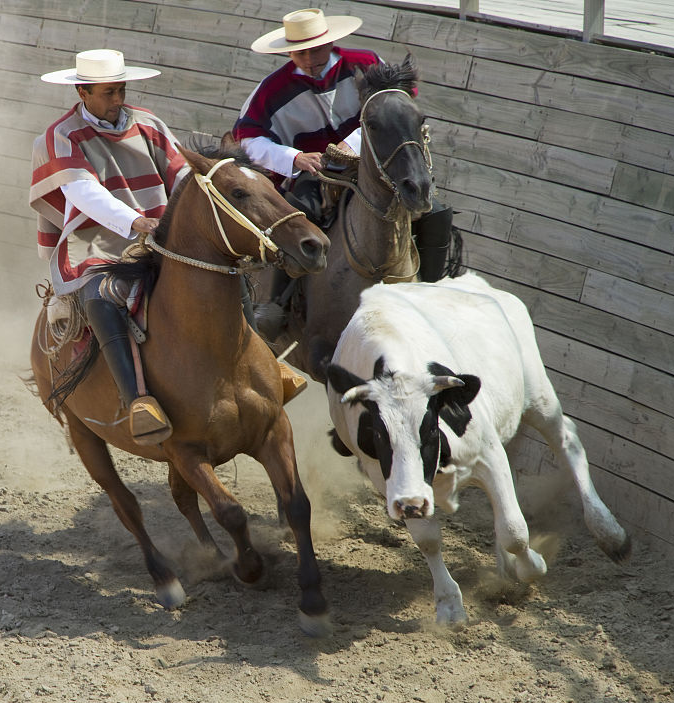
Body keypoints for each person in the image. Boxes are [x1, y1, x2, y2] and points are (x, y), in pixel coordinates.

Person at [30, 49, 188, 446]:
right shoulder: (60, 136)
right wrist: (135, 221)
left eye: (121, 90)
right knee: (101, 296)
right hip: (96, 239)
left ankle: (269, 366)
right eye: (108, 92)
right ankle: (138, 401)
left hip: (161, 228)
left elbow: (181, 173)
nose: (118, 100)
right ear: (83, 92)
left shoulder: (149, 123)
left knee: (226, 267)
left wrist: (185, 215)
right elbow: (83, 193)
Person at [233, 8, 455, 279]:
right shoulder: (271, 90)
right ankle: (281, 302)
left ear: (329, 43)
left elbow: (396, 107)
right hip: (316, 176)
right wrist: (293, 158)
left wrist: (353, 144)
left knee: (436, 213)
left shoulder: (366, 64)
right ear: (288, 52)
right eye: (300, 53)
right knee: (295, 221)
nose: (309, 59)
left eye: (315, 50)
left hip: (379, 166)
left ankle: (433, 284)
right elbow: (247, 140)